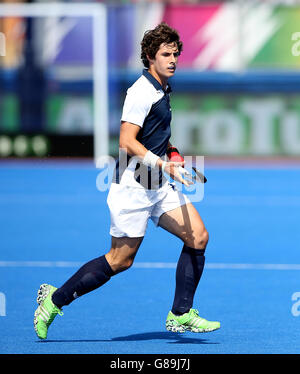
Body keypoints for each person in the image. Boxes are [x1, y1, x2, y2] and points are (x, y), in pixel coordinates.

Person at [33, 22, 220, 340]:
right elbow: (126, 141)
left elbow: (155, 136)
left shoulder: (163, 87)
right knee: (120, 260)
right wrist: (162, 162)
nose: (172, 60)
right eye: (165, 54)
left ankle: (180, 314)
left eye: (175, 54)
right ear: (150, 56)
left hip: (157, 183)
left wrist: (171, 154)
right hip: (132, 187)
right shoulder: (141, 91)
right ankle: (53, 300)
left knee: (198, 237)